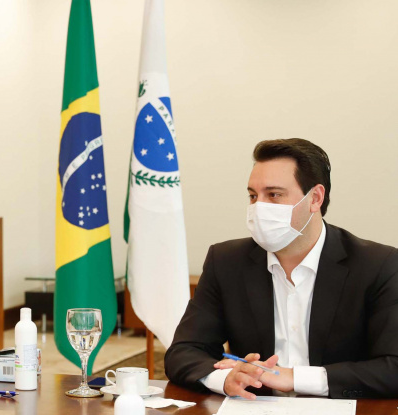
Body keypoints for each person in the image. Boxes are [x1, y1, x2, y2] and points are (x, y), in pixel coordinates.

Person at [165, 139, 398, 399]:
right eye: (253, 196)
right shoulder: (226, 261)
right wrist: (226, 377)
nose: (259, 207)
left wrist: (295, 378)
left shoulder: (378, 265)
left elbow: (392, 367)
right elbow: (182, 352)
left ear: (315, 198)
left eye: (274, 195)